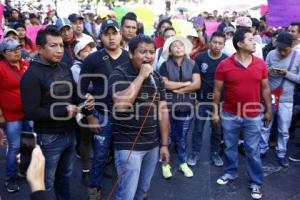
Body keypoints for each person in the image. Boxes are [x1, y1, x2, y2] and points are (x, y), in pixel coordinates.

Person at [20, 26, 94, 200]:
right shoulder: (31, 75)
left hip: (69, 132)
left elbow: (75, 95)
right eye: (53, 46)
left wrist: (86, 101)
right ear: (39, 48)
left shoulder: (64, 68)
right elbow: (30, 112)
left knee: (65, 177)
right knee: (46, 183)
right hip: (48, 138)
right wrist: (62, 111)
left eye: (61, 45)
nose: (59, 50)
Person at [108, 35, 170, 200]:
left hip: (152, 145)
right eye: (143, 52)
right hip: (128, 146)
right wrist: (141, 76)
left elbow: (163, 111)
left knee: (142, 192)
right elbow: (121, 104)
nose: (148, 56)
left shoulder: (156, 77)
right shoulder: (118, 73)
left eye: (151, 52)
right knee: (126, 195)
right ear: (130, 54)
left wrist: (164, 144)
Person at [213, 28, 272, 200]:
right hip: (230, 114)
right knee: (230, 147)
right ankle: (230, 173)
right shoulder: (224, 65)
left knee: (252, 149)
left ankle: (255, 182)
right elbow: (217, 92)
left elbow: (266, 88)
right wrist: (215, 113)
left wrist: (268, 110)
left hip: (253, 115)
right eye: (250, 40)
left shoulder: (260, 63)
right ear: (239, 44)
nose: (255, 42)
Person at [79, 19, 129, 199]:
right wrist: (90, 116)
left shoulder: (130, 57)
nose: (111, 38)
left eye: (114, 33)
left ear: (121, 34)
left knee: (124, 155)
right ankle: (94, 189)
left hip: (126, 116)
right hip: (102, 115)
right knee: (99, 155)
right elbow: (81, 90)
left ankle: (126, 190)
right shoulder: (92, 59)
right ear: (100, 36)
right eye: (106, 34)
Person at [159, 35, 200, 178]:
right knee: (167, 138)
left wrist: (177, 89)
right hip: (169, 107)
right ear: (170, 51)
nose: (178, 48)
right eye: (174, 46)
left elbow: (197, 84)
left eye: (180, 45)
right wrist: (185, 85)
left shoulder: (192, 64)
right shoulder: (165, 65)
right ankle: (165, 164)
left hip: (186, 106)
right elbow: (164, 83)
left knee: (181, 137)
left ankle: (183, 163)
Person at [260, 31, 300, 167]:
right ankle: (262, 149)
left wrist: (286, 74)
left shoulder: (298, 56)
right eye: (279, 49)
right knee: (265, 126)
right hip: (270, 97)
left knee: (284, 129)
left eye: (285, 50)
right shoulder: (271, 54)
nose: (282, 53)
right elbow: (262, 74)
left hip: (286, 100)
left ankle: (281, 152)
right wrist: (268, 71)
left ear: (292, 45)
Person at [187, 31, 228, 167]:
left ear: (224, 44)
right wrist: (195, 98)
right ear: (210, 42)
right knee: (198, 128)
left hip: (219, 102)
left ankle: (215, 153)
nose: (217, 45)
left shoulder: (227, 60)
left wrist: (224, 101)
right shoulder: (200, 58)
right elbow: (194, 79)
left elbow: (228, 84)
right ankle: (194, 153)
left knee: (217, 129)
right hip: (202, 100)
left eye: (220, 43)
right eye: (215, 42)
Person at [0, 38, 31, 193]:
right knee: (14, 146)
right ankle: (10, 178)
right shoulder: (0, 67)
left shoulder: (25, 64)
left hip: (28, 112)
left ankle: (23, 170)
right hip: (11, 115)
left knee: (29, 144)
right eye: (12, 49)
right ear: (4, 53)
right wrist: (0, 116)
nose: (17, 51)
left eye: (18, 47)